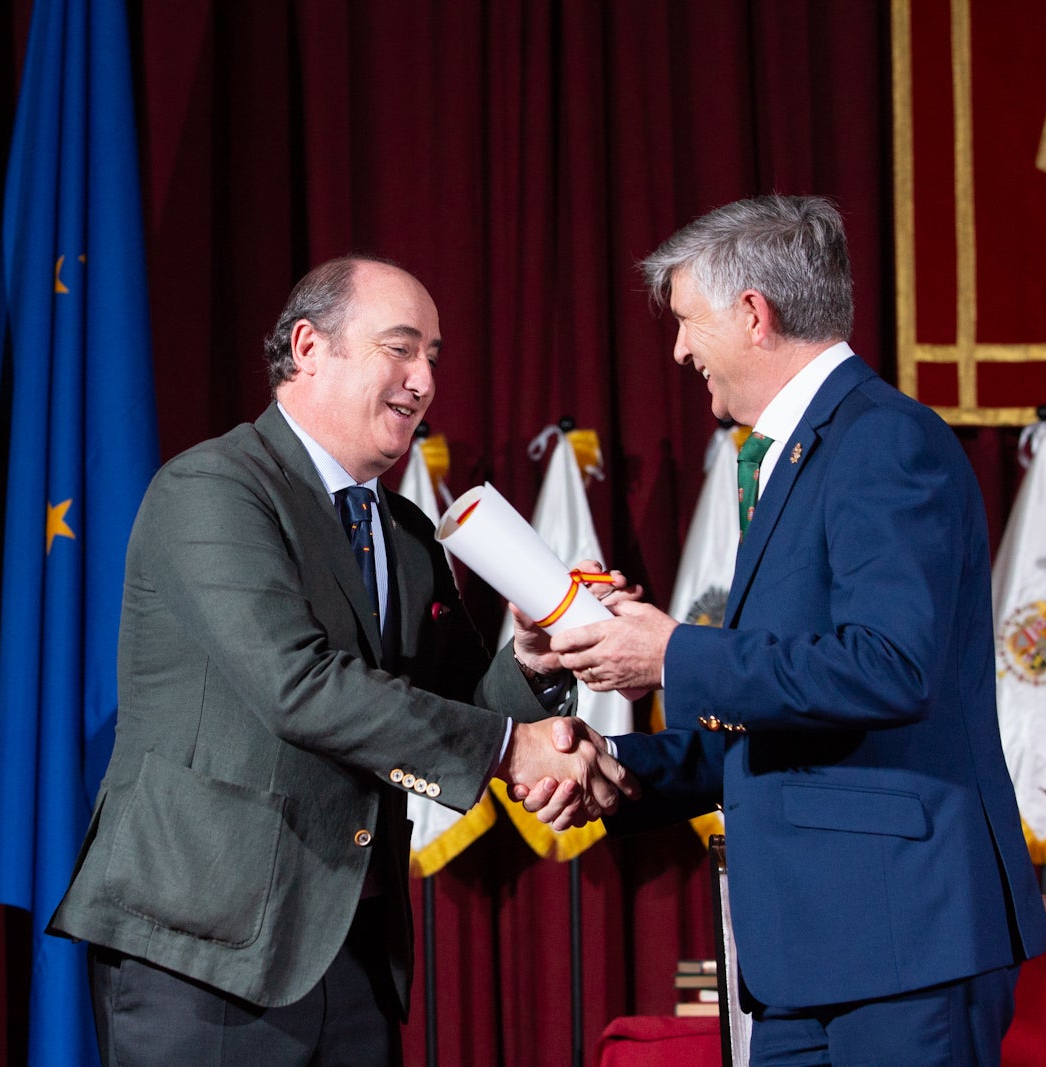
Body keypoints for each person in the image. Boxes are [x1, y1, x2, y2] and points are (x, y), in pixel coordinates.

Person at [49, 254, 630, 1066]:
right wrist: (512, 749)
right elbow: (300, 687)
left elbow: (458, 698)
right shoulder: (213, 489)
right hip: (204, 956)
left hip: (352, 954)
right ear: (309, 347)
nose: (423, 380)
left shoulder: (404, 531)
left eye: (433, 356)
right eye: (400, 348)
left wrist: (531, 661)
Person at [542, 196, 1046, 1064]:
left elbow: (888, 669)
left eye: (687, 322)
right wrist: (616, 768)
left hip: (901, 946)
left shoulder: (884, 441)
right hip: (809, 964)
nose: (678, 350)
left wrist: (670, 653)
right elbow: (782, 715)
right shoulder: (792, 455)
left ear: (753, 314)